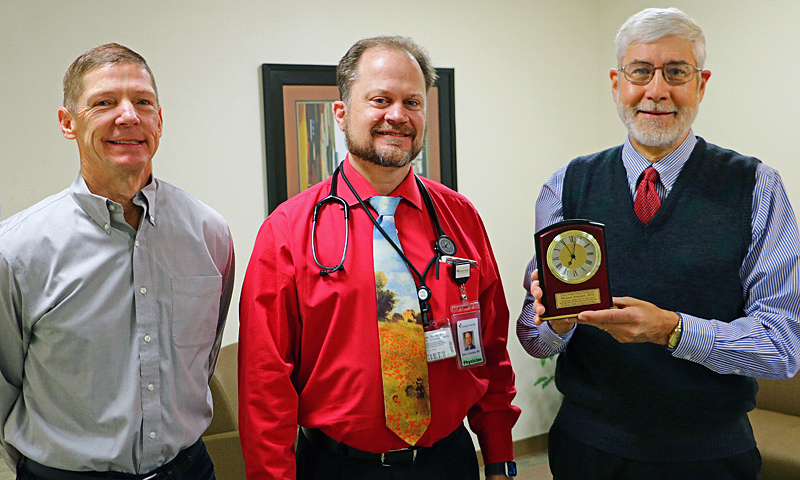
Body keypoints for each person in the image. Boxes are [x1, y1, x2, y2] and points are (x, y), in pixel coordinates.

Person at [517, 8, 800, 479]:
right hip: (588, 450)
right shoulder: (567, 184)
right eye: (641, 71)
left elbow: (782, 346)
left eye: (676, 72)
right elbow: (535, 339)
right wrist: (551, 319)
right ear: (616, 82)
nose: (656, 90)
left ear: (702, 84)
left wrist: (671, 330)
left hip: (709, 456)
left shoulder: (756, 186)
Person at [239, 36, 520, 480]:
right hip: (338, 466)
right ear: (341, 113)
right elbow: (265, 384)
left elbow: (490, 347)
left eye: (412, 102)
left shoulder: (460, 217)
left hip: (448, 461)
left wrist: (500, 454)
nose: (397, 116)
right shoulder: (288, 230)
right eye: (380, 100)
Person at [0, 43, 235, 479]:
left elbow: (203, 358)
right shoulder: (16, 250)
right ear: (68, 123)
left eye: (142, 102)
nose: (128, 116)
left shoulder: (210, 232)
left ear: (159, 120)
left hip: (188, 470)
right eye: (104, 102)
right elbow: (4, 382)